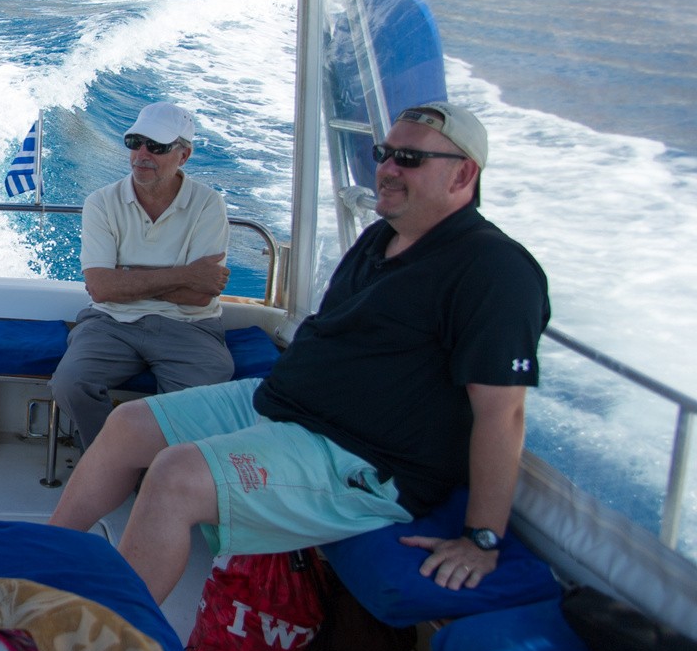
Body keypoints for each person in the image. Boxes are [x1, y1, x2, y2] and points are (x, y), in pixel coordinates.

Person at [49, 101, 550, 603]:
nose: (388, 169)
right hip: (287, 406)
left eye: (410, 159)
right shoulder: (382, 238)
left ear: (463, 174)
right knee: (128, 425)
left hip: (360, 454)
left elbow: (503, 415)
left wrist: (483, 537)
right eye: (384, 152)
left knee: (173, 475)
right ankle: (40, 566)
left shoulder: (494, 270)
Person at [49, 100, 233, 449]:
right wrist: (184, 275)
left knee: (202, 398)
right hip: (110, 322)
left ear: (184, 155)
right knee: (70, 384)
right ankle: (110, 463)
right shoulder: (101, 203)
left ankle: (163, 470)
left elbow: (198, 296)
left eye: (157, 147)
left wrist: (127, 278)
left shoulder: (209, 205)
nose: (141, 155)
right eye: (135, 143)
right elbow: (102, 289)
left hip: (190, 325)